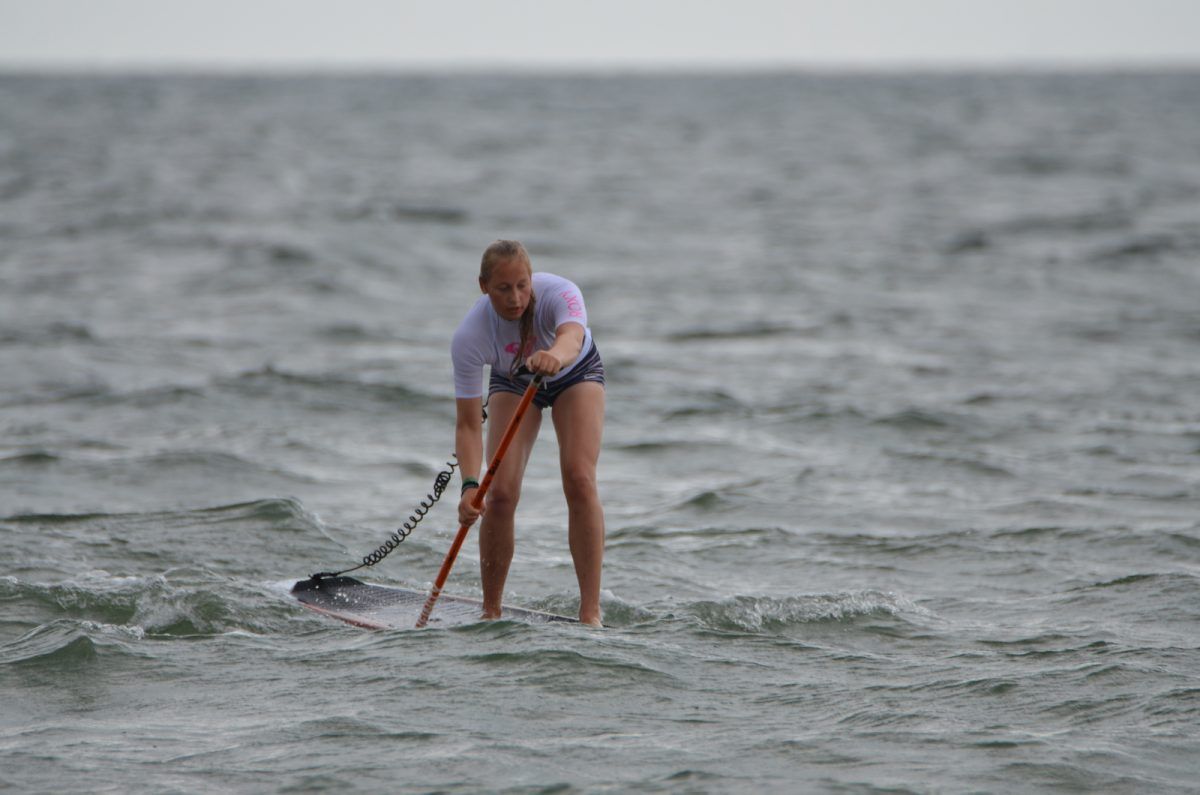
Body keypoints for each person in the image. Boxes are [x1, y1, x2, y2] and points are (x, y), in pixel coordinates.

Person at [451, 240, 606, 626]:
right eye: (504, 289)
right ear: (483, 286)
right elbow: (469, 423)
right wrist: (469, 485)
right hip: (515, 380)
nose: (516, 298)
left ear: (532, 279)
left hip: (576, 372)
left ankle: (590, 612)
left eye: (523, 285)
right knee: (498, 493)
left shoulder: (560, 292)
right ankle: (490, 612)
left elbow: (571, 336)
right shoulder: (470, 336)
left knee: (579, 478)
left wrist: (556, 353)